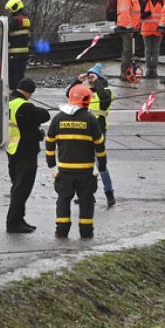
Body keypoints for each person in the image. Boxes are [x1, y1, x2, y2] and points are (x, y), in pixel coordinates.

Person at [46, 83, 106, 239]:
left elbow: (50, 140)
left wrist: (51, 161)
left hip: (64, 170)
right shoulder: (90, 119)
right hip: (85, 170)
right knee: (86, 200)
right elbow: (99, 144)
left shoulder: (58, 119)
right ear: (86, 100)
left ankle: (61, 230)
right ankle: (86, 232)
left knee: (63, 199)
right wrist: (103, 164)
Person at [68, 63, 117, 207]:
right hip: (84, 131)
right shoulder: (85, 92)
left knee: (101, 166)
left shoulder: (106, 91)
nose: (90, 79)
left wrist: (97, 82)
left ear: (100, 79)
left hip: (99, 132)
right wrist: (77, 81)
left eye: (93, 77)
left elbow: (103, 100)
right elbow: (70, 95)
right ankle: (87, 194)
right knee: (85, 164)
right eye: (89, 77)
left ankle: (109, 193)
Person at [6, 77, 51, 233]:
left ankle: (19, 218)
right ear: (29, 92)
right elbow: (45, 115)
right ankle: (13, 222)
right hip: (25, 151)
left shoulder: (8, 101)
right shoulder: (24, 106)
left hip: (12, 148)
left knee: (17, 186)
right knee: (23, 187)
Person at [115, 0, 142, 79]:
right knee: (128, 51)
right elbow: (124, 14)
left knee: (131, 52)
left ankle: (129, 72)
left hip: (133, 28)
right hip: (126, 28)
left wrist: (137, 26)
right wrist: (130, 27)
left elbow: (136, 14)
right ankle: (125, 73)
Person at [6, 0, 32, 92]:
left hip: (14, 53)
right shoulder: (26, 20)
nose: (9, 12)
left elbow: (7, 33)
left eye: (10, 9)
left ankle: (14, 93)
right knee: (21, 74)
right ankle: (21, 91)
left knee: (13, 76)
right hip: (24, 54)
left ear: (14, 8)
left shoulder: (14, 21)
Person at [140, 0, 165, 80]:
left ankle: (153, 70)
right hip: (147, 30)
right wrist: (145, 14)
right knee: (148, 50)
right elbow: (139, 15)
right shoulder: (145, 1)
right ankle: (148, 69)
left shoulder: (162, 2)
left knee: (155, 51)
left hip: (158, 31)